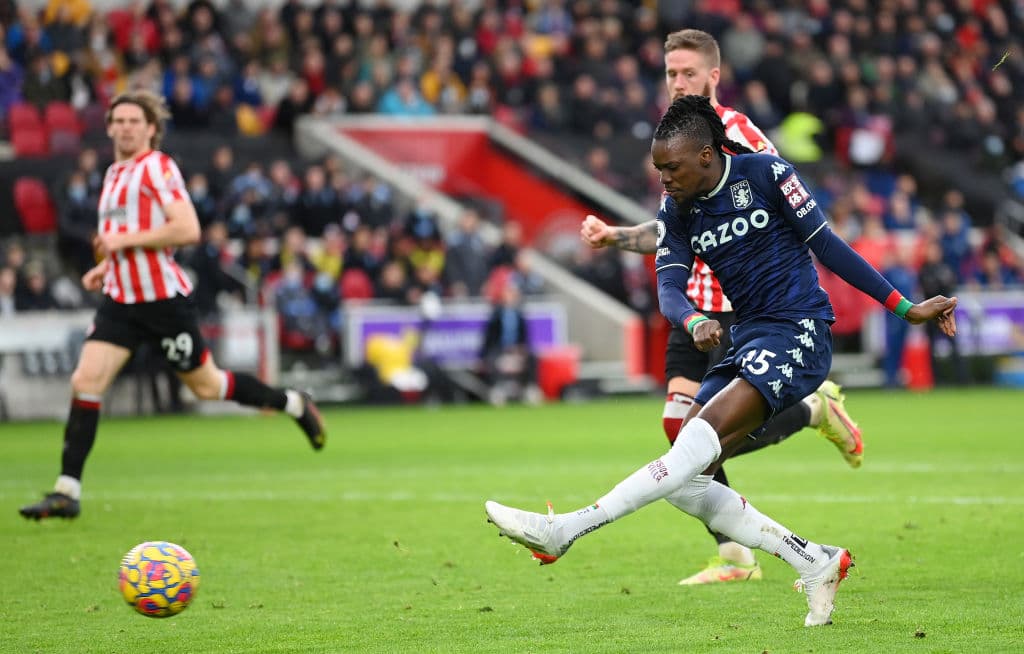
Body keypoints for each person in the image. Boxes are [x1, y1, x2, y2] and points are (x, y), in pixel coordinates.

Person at [486, 95, 957, 627]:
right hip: (746, 340)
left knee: (688, 455)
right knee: (686, 483)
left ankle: (564, 531)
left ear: (706, 155)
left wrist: (904, 307)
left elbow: (829, 247)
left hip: (799, 331)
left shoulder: (767, 174)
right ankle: (814, 560)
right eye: (659, 169)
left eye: (672, 167)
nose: (664, 179)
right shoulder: (677, 211)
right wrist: (692, 321)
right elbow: (669, 288)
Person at [580, 28, 863, 586]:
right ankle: (735, 554)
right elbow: (672, 232)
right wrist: (617, 236)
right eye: (671, 73)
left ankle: (811, 411)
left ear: (713, 76)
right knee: (677, 429)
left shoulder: (738, 135)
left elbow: (780, 204)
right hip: (692, 310)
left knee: (709, 435)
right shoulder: (673, 140)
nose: (678, 82)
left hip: (738, 309)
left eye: (688, 73)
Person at [19, 90, 326, 521]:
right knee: (85, 380)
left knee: (207, 386)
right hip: (120, 301)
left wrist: (122, 243)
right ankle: (66, 492)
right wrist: (106, 267)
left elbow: (186, 228)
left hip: (162, 301)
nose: (125, 128)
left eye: (134, 121)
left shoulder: (157, 167)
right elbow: (123, 240)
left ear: (151, 128)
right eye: (118, 121)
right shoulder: (113, 174)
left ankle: (293, 403)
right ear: (108, 128)